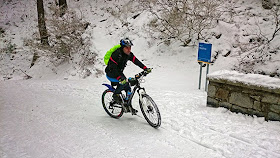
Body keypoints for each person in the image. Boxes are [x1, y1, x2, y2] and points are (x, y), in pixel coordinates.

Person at [105, 38, 151, 114]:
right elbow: (113, 68)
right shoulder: (116, 54)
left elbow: (136, 61)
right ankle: (115, 95)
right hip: (111, 73)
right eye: (127, 48)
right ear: (122, 47)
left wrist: (145, 68)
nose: (129, 49)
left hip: (119, 73)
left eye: (130, 47)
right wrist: (119, 78)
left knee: (128, 87)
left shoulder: (128, 54)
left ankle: (128, 105)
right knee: (124, 82)